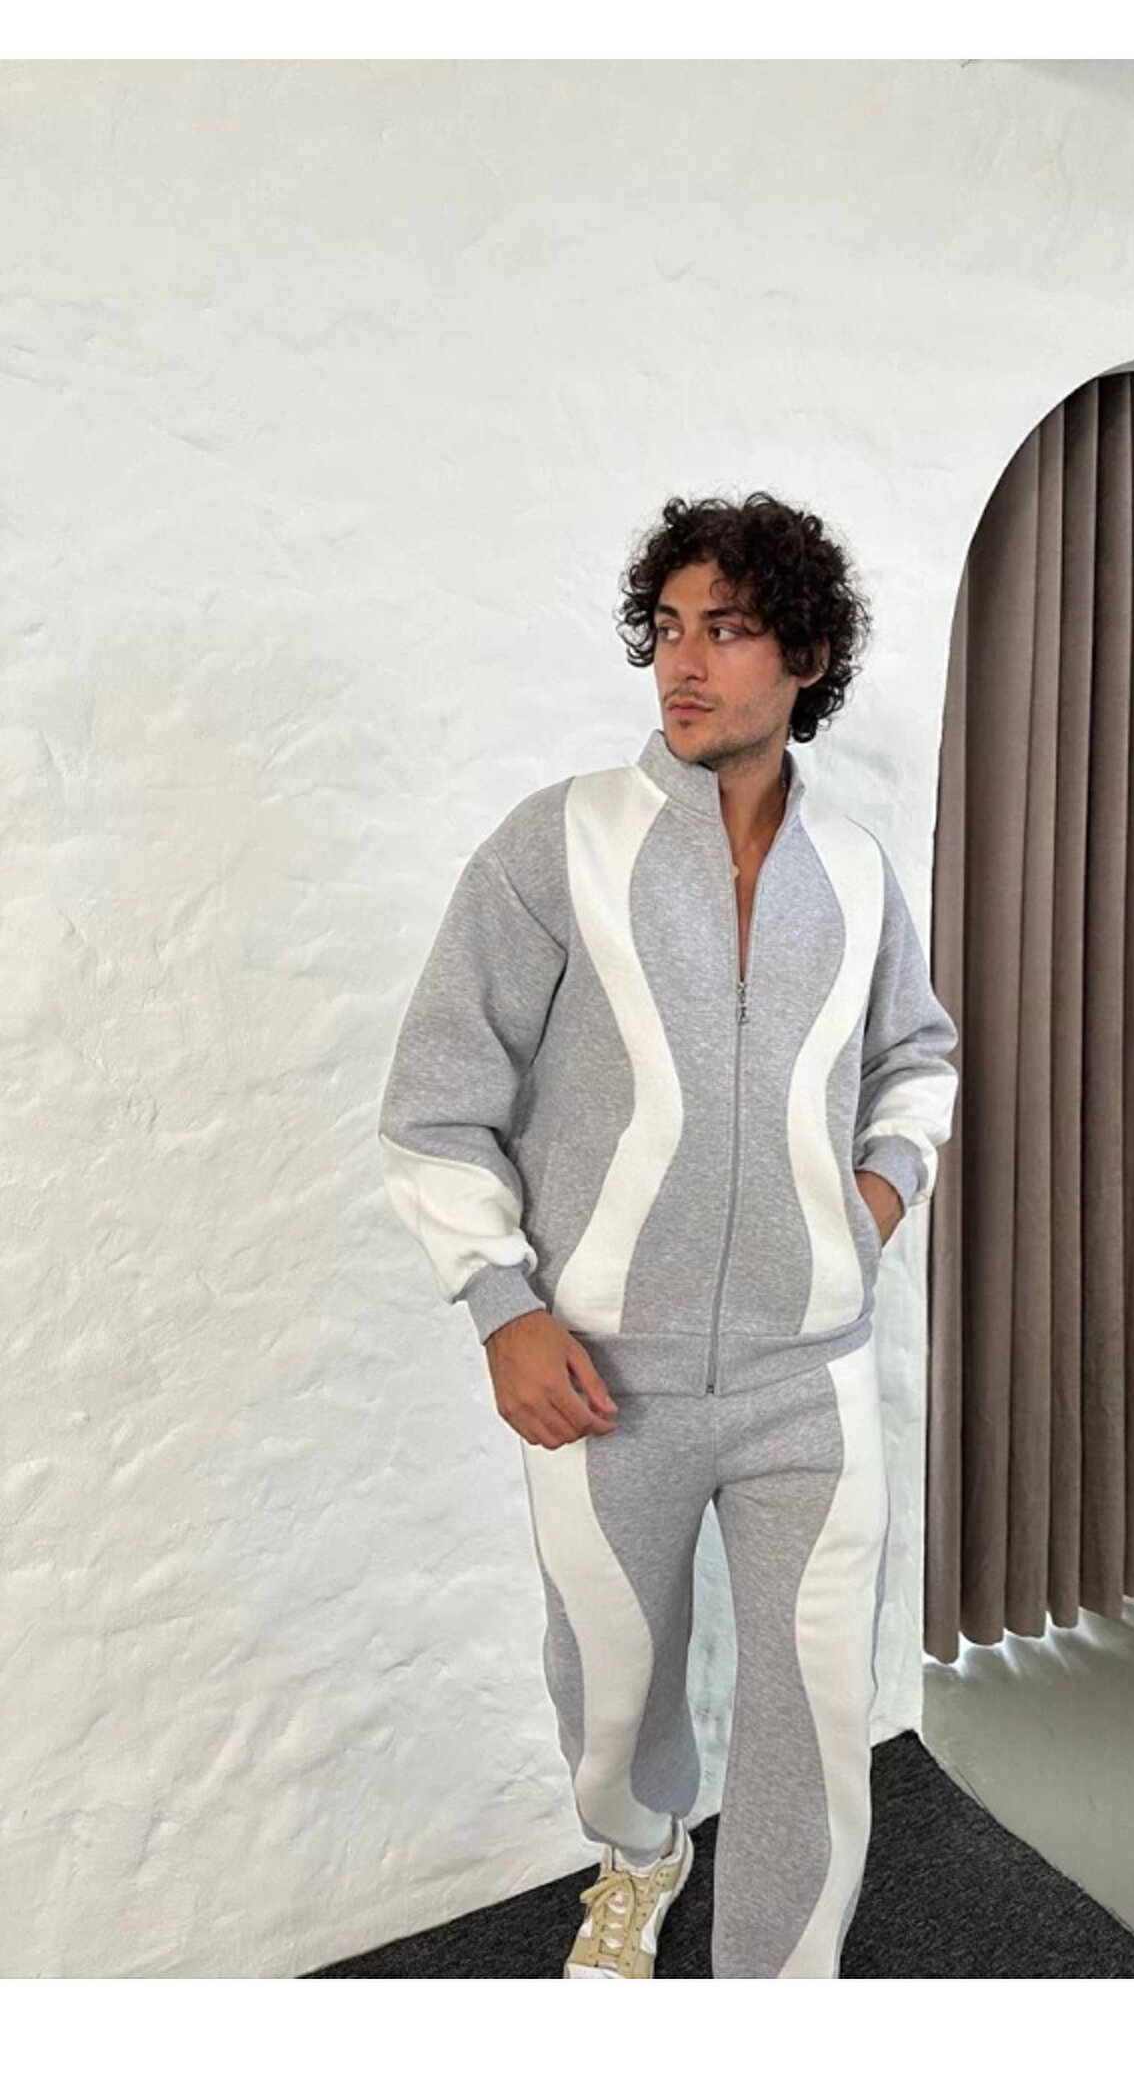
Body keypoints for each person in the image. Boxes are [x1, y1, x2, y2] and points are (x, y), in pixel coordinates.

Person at [378, 491, 958, 1979]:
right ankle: (639, 1857)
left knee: (817, 1710)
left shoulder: (859, 872)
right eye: (670, 630)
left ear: (806, 657)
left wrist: (874, 1202)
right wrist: (502, 1303)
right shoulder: (558, 844)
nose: (683, 665)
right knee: (612, 1695)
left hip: (808, 1379)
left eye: (730, 631)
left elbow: (920, 1057)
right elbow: (436, 1099)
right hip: (602, 1376)